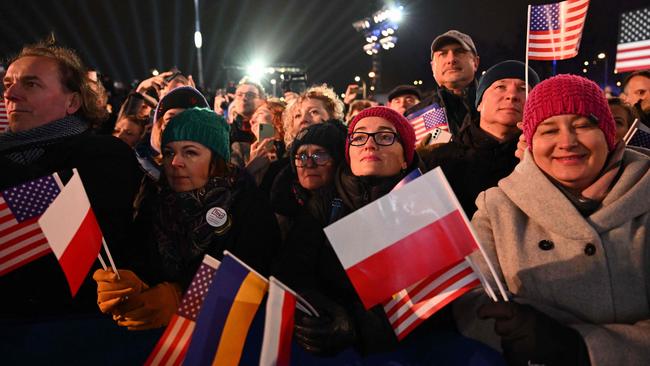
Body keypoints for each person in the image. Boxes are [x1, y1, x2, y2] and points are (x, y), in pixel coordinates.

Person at [455, 74, 650, 365]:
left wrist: (584, 348)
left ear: (609, 133)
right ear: (531, 142)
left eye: (583, 125)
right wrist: (515, 334)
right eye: (548, 130)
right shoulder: (497, 208)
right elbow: (472, 299)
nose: (567, 142)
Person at [94, 107, 281, 330]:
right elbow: (139, 255)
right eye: (170, 152)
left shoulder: (247, 203)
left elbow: (253, 277)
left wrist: (182, 296)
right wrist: (129, 283)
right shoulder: (153, 201)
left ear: (216, 159)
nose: (175, 163)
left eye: (190, 152)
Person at [0, 40, 140, 318]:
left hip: (72, 331)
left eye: (31, 84)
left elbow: (39, 209)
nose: (11, 94)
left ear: (72, 101)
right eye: (7, 84)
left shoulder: (105, 156)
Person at [421, 60, 540, 216]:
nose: (512, 95)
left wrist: (537, 171)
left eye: (523, 89)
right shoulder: (437, 159)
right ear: (479, 103)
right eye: (500, 87)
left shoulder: (542, 160)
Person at [406, 30, 480, 136]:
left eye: (459, 52)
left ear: (475, 62)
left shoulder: (500, 105)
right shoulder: (415, 116)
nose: (451, 59)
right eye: (443, 54)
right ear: (432, 67)